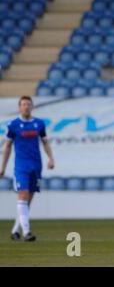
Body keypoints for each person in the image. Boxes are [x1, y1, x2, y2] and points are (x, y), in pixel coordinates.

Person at [0, 96, 55, 242]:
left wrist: (51, 158)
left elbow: (45, 142)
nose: (26, 107)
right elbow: (8, 147)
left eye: (28, 104)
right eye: (23, 104)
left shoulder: (39, 124)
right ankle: (27, 232)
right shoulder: (13, 125)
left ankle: (15, 230)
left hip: (36, 165)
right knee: (23, 195)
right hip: (21, 166)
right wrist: (3, 167)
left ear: (32, 107)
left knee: (27, 200)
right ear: (19, 107)